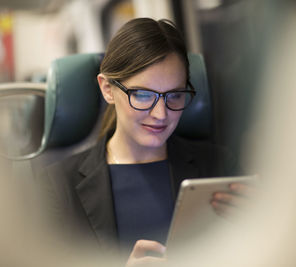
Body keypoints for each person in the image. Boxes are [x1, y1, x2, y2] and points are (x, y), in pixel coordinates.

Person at [38, 18, 246, 266]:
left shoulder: (219, 166)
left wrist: (255, 228)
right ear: (107, 88)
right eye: (144, 95)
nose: (161, 114)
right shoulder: (58, 186)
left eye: (175, 95)